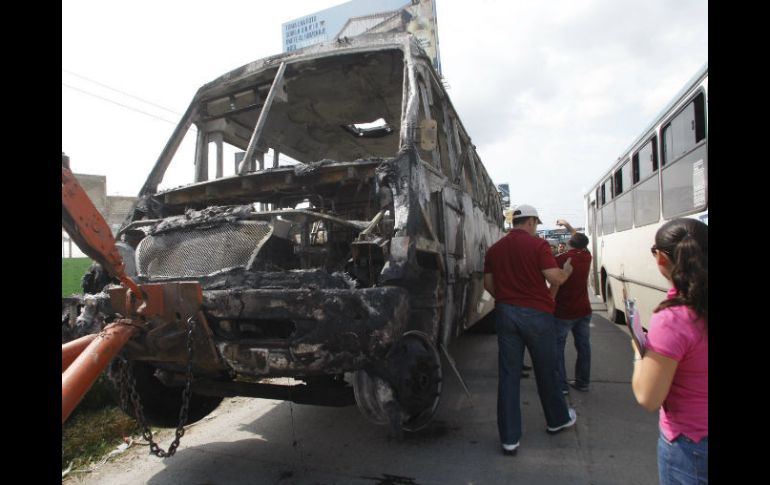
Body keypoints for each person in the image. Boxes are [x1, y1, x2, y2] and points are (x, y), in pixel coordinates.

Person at [484, 204, 578, 456]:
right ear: (531, 222)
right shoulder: (538, 246)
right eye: (536, 224)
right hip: (537, 316)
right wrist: (566, 272)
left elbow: (488, 283)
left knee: (508, 376)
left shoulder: (494, 249)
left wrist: (507, 299)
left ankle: (509, 438)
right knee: (546, 370)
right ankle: (557, 419)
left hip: (506, 314)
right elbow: (555, 278)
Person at [630, 218, 708, 485]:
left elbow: (648, 397)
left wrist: (639, 353)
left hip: (692, 447)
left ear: (661, 258)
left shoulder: (674, 318)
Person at [549, 219, 593, 394]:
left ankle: (561, 385)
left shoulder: (561, 259)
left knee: (558, 348)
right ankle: (583, 382)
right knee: (583, 347)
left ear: (569, 243)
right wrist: (567, 225)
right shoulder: (587, 256)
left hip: (564, 311)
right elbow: (580, 240)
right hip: (584, 310)